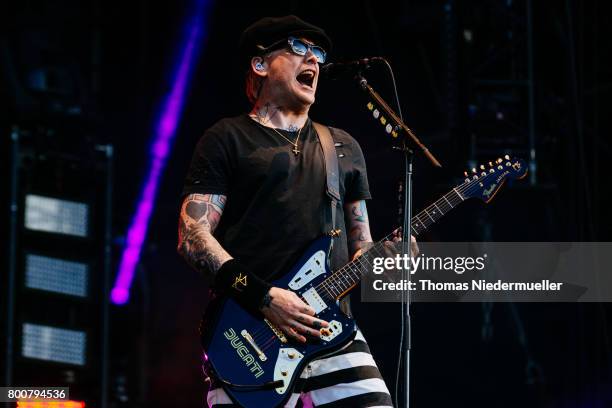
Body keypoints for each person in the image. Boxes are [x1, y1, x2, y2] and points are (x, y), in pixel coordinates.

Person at [178, 15, 414, 407]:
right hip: (248, 336)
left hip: (331, 331)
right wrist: (266, 297)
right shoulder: (226, 138)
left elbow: (362, 248)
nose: (314, 61)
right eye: (299, 48)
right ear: (260, 64)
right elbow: (192, 237)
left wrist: (388, 259)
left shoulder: (343, 147)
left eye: (318, 53)